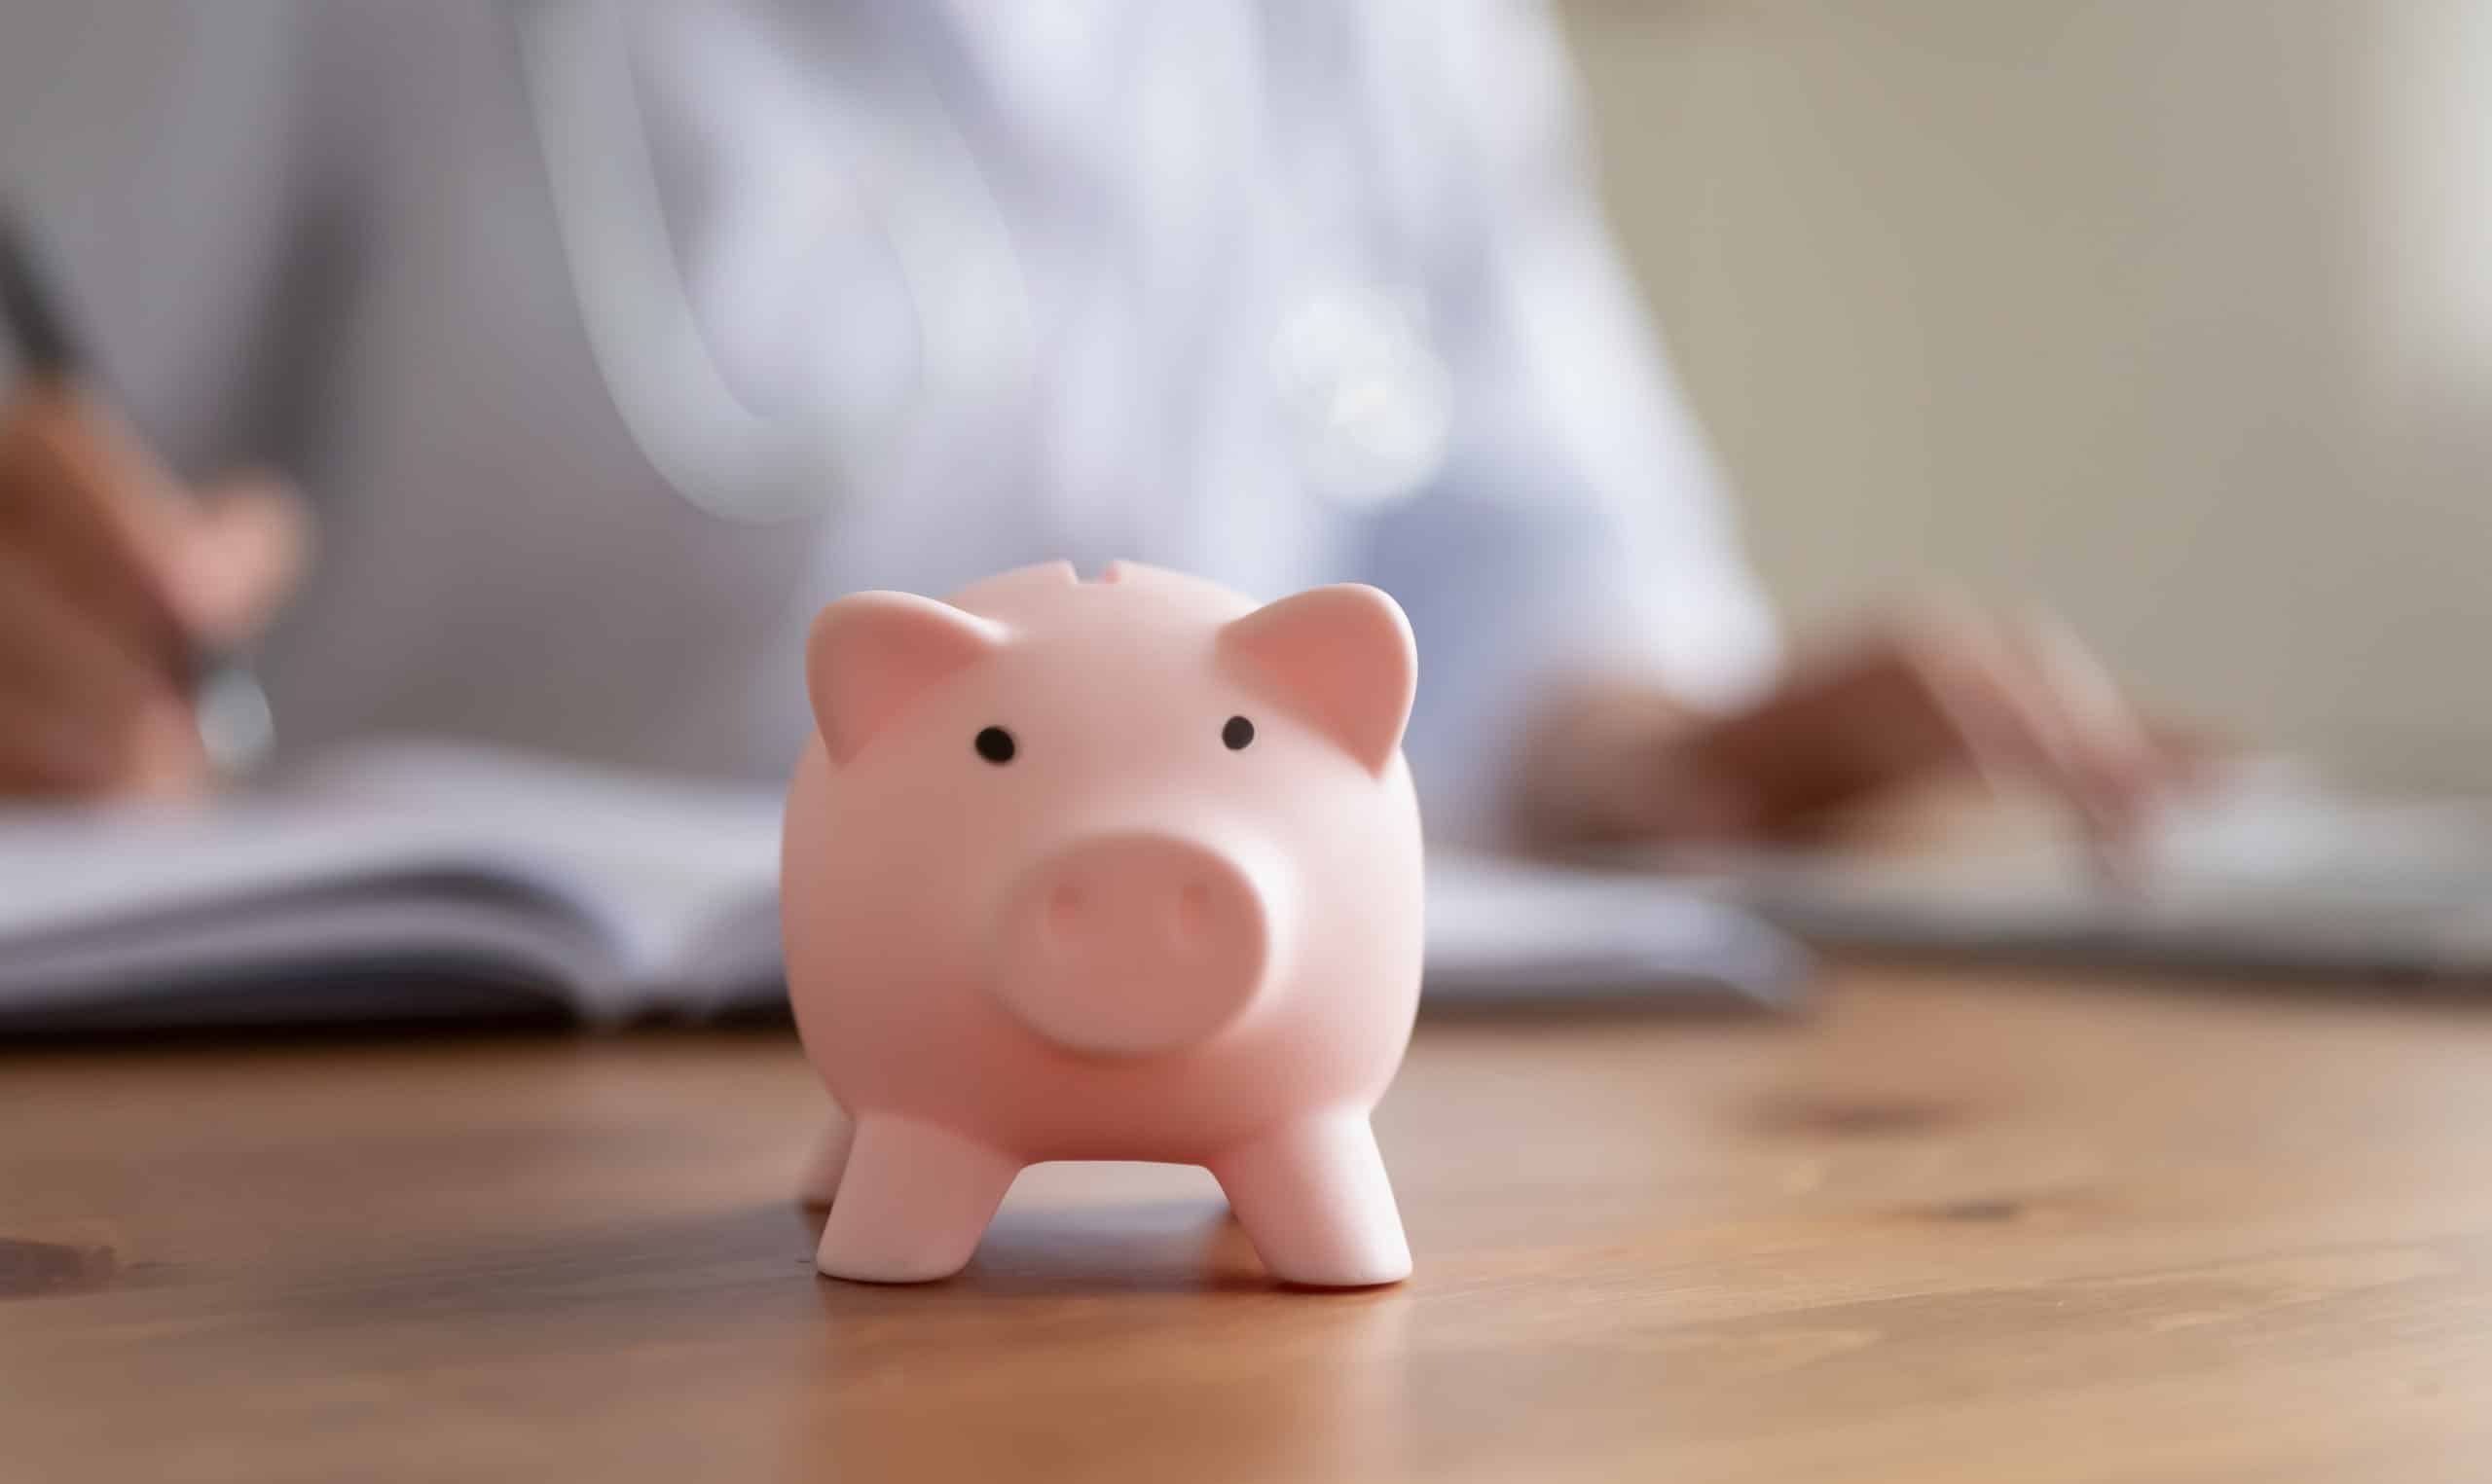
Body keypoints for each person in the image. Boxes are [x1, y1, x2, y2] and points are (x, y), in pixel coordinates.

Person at [0, 2, 2195, 850]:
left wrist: (1672, 753)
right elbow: (73, 457)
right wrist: (62, 624)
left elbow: (1508, 557)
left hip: (1205, 1132)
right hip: (438, 1163)